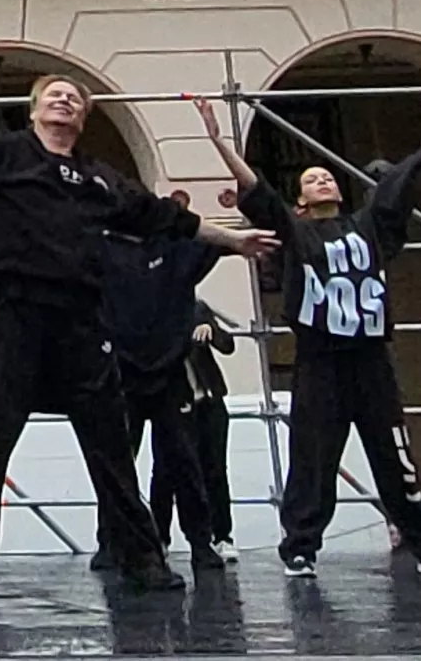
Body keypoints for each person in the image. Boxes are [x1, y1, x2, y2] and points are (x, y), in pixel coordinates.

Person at [0, 74, 277, 599]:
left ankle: (142, 558)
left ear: (83, 118)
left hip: (81, 322)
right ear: (34, 109)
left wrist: (235, 241)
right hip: (17, 315)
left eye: (75, 98)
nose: (65, 100)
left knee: (111, 449)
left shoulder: (99, 179)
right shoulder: (4, 154)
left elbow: (168, 218)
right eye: (54, 94)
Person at [197, 90, 421, 578]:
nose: (321, 179)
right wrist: (220, 143)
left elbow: (396, 189)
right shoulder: (296, 233)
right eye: (309, 179)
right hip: (318, 357)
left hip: (370, 357)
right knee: (312, 455)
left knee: (392, 450)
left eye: (327, 176)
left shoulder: (369, 228)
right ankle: (300, 547)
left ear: (339, 190)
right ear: (301, 200)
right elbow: (260, 194)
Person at [96, 204, 241, 575]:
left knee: (183, 463)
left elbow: (213, 242)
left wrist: (242, 234)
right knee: (118, 464)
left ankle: (200, 542)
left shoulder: (171, 250)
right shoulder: (102, 250)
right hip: (124, 375)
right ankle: (110, 542)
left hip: (167, 375)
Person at [186, 302, 239, 563]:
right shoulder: (153, 309)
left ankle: (222, 536)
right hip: (176, 404)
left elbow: (227, 344)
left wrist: (211, 329)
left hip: (208, 399)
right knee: (172, 474)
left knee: (216, 470)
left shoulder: (196, 307)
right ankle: (166, 537)